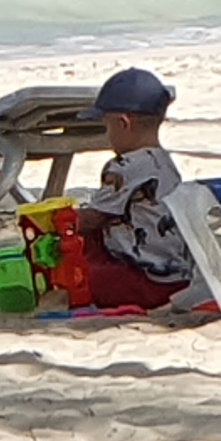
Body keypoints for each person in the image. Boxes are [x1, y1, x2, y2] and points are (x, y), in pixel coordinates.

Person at [65, 67, 194, 309]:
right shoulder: (164, 162)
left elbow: (92, 219)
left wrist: (58, 219)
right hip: (179, 276)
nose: (108, 136)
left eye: (107, 127)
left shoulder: (125, 167)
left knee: (80, 276)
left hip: (145, 279)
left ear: (123, 123)